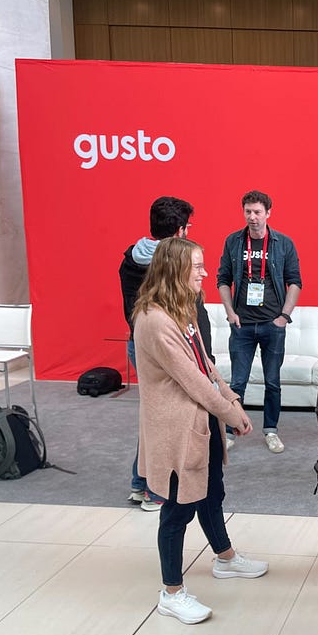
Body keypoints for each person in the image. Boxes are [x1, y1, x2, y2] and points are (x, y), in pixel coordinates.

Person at [132, 238, 268, 625]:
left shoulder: (182, 311)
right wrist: (231, 412)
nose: (204, 273)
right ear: (175, 270)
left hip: (200, 425)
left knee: (211, 491)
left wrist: (231, 402)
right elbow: (192, 381)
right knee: (177, 510)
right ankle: (171, 592)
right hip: (176, 432)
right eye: (196, 267)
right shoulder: (156, 320)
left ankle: (224, 557)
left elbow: (207, 367)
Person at [118, 196, 213, 512]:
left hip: (140, 344)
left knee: (152, 414)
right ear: (179, 230)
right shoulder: (172, 268)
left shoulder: (130, 258)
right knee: (170, 420)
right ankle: (157, 490)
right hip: (172, 347)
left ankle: (140, 482)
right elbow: (192, 316)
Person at [217, 190, 302, 454]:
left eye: (257, 212)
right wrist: (230, 313)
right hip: (242, 326)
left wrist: (284, 317)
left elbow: (295, 281)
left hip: (271, 325)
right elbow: (223, 279)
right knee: (238, 382)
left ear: (268, 213)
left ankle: (271, 430)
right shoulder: (233, 242)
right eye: (248, 212)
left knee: (273, 382)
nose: (252, 217)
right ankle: (232, 430)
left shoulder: (283, 243)